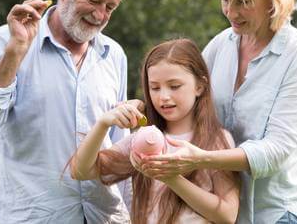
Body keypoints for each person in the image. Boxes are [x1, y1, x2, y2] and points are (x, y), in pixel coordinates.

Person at [140, 0, 297, 224]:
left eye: (243, 1)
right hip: (224, 214)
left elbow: (277, 151)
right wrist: (138, 112)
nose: (230, 12)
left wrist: (201, 159)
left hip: (276, 213)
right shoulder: (220, 46)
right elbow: (183, 100)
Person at [0, 0, 133, 223]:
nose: (101, 15)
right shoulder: (8, 40)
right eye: (93, 0)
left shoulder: (114, 55)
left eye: (110, 7)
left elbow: (119, 147)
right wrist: (16, 51)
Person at [70, 38, 240, 224]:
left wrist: (171, 179)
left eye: (174, 86)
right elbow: (81, 172)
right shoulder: (143, 140)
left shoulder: (216, 140)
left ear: (200, 86)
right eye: (155, 87)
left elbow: (227, 215)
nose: (163, 97)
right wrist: (103, 123)